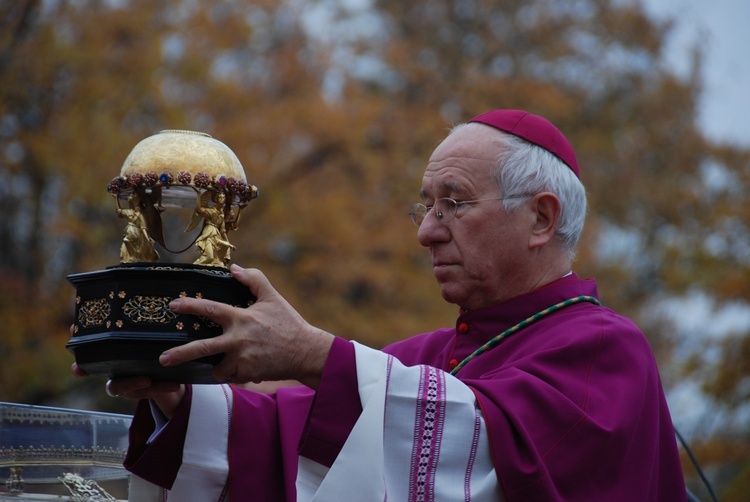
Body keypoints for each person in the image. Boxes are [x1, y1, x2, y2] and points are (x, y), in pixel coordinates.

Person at [79, 110, 687, 501]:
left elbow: (483, 452)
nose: (427, 231)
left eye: (454, 203)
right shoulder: (427, 357)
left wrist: (311, 353)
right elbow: (290, 434)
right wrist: (176, 394)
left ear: (541, 218)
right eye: (425, 205)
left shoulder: (607, 349)